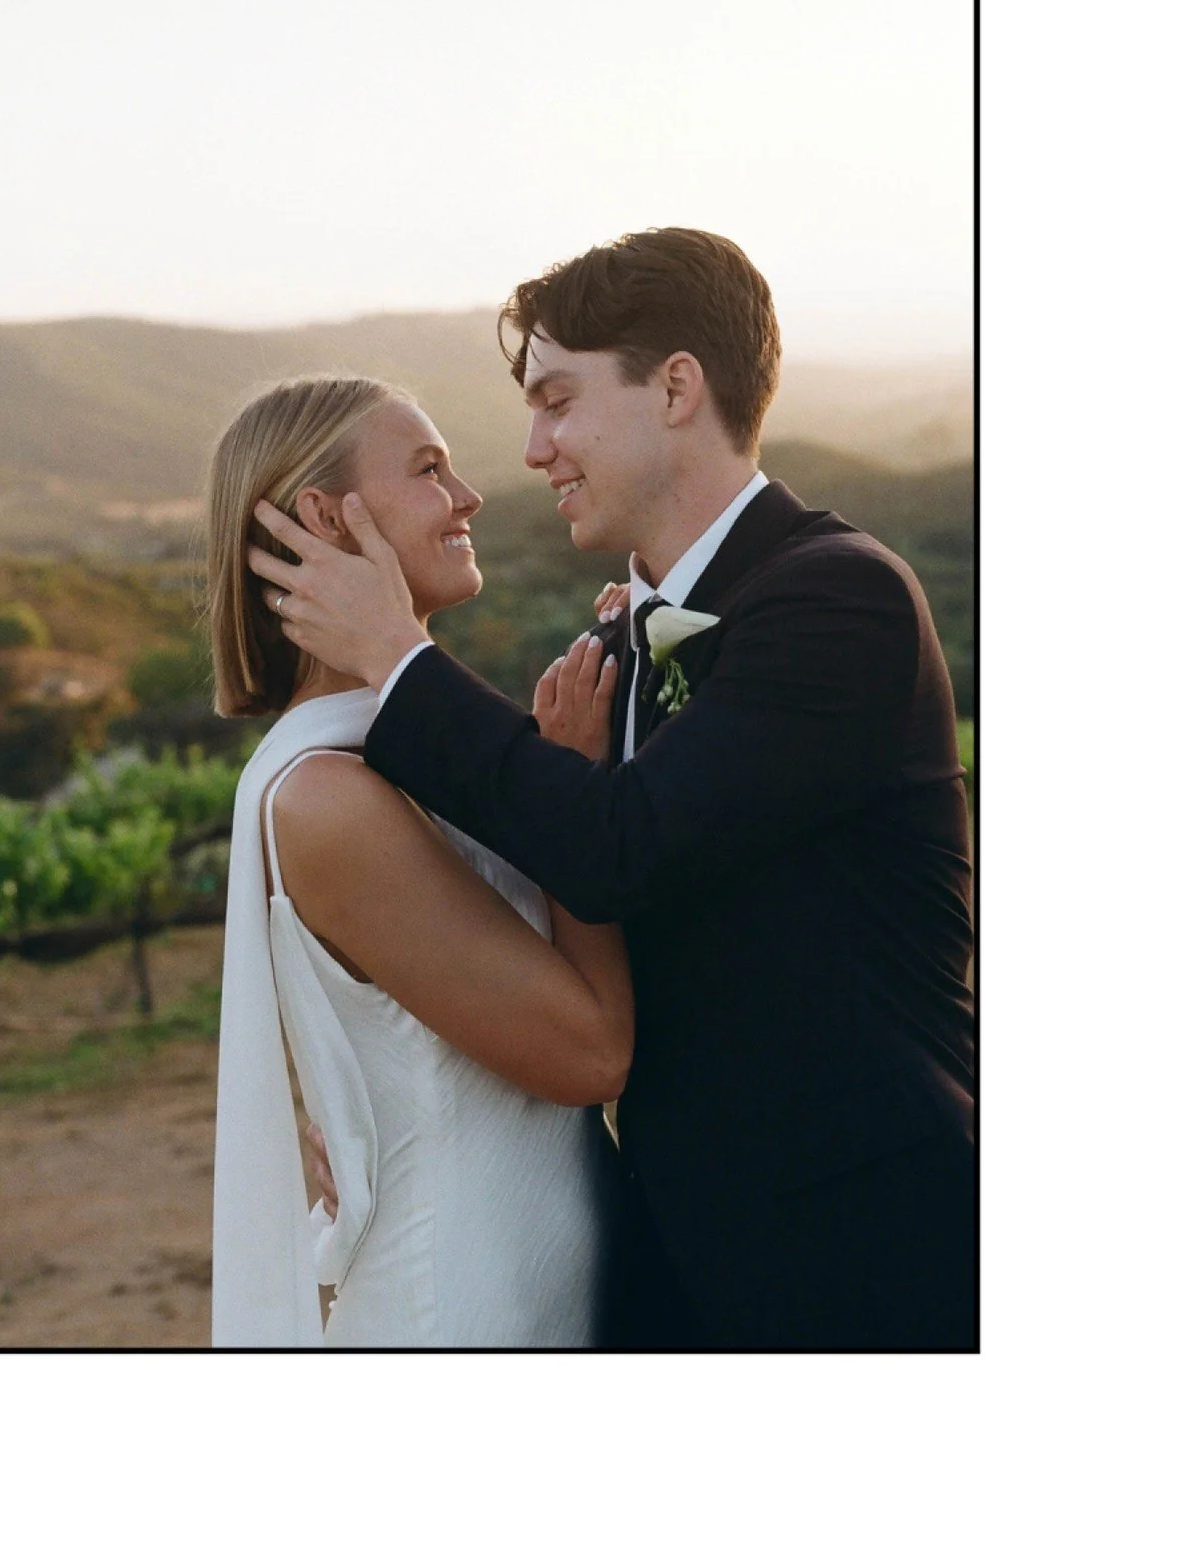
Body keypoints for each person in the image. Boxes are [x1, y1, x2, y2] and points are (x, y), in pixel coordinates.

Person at [249, 227, 977, 1352]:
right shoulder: (621, 644)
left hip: (865, 1249)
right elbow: (528, 903)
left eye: (557, 402)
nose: (533, 449)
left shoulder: (840, 600)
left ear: (676, 389)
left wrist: (399, 658)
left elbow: (617, 848)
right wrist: (354, 1090)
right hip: (668, 1256)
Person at [207, 375, 629, 1349]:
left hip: (546, 1277)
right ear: (327, 518)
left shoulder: (416, 750)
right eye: (430, 470)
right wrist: (577, 797)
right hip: (467, 1307)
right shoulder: (326, 796)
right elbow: (592, 1053)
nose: (468, 496)